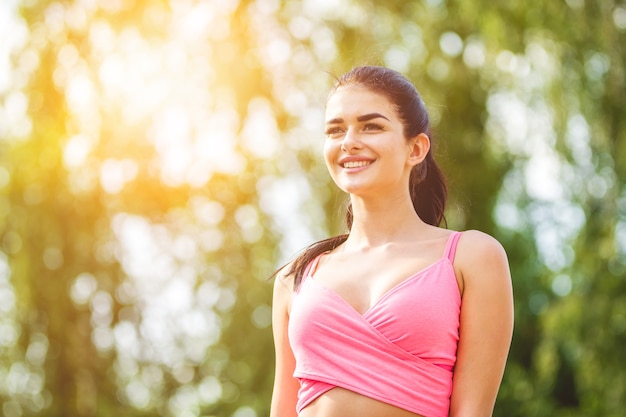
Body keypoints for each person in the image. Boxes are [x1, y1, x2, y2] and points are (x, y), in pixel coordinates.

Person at [270, 65, 514, 417]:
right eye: (335, 130)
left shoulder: (471, 258)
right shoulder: (295, 278)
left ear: (416, 149)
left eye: (371, 126)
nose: (349, 141)